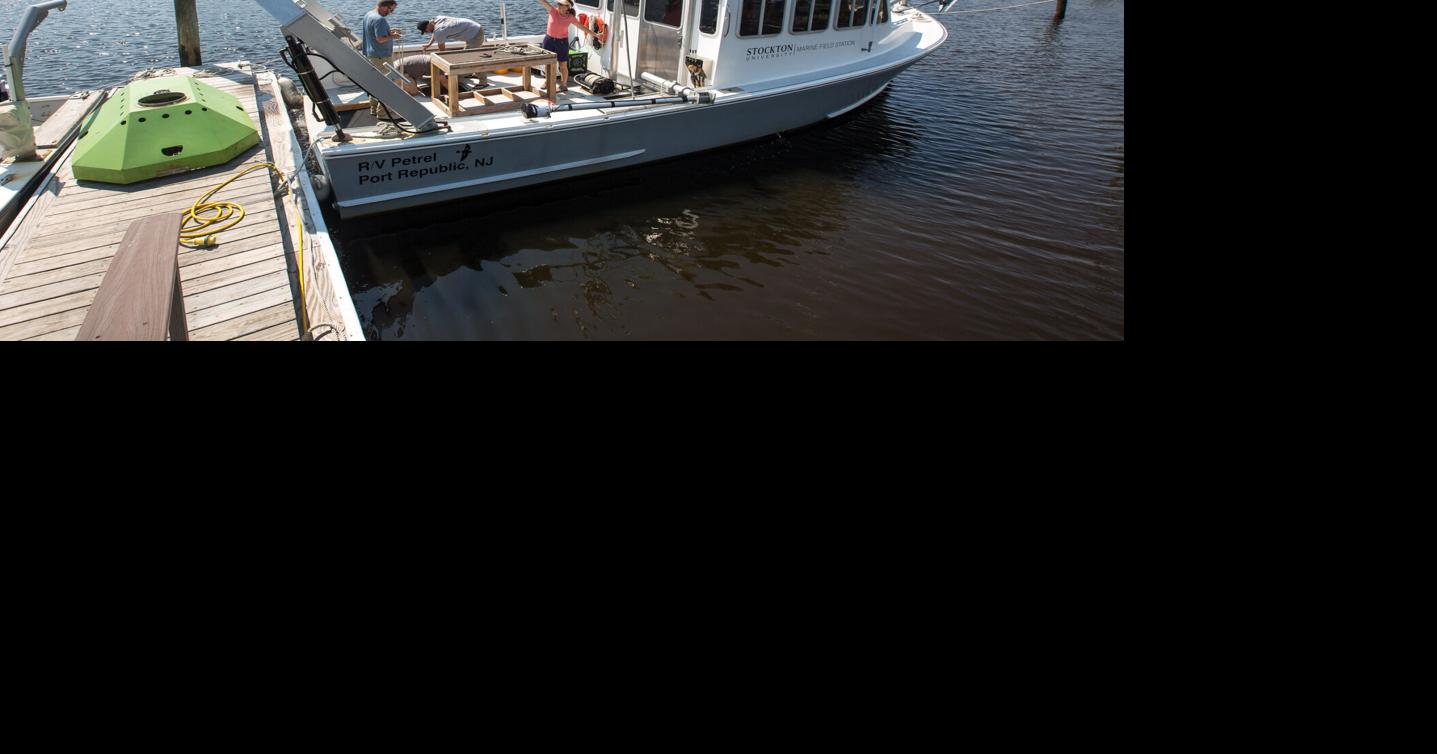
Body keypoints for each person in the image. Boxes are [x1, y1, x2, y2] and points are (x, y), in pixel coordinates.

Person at [537, 0, 595, 94]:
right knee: (548, 64)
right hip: (549, 40)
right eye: (560, 4)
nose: (559, 5)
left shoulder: (570, 17)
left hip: (562, 42)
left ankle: (563, 85)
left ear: (567, 7)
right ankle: (547, 81)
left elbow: (582, 27)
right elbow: (543, 2)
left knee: (563, 65)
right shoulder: (553, 11)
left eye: (563, 5)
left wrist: (595, 34)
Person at [362, 0, 403, 114]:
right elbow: (380, 39)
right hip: (382, 57)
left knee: (376, 83)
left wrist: (389, 32)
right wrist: (393, 36)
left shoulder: (368, 15)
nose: (391, 13)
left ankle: (374, 108)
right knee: (388, 84)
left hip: (371, 55)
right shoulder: (380, 19)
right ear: (384, 7)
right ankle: (383, 113)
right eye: (391, 10)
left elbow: (373, 33)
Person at [417, 16, 485, 51]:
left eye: (425, 31)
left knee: (468, 57)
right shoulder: (437, 18)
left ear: (427, 26)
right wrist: (429, 44)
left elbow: (442, 51)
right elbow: (435, 32)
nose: (427, 32)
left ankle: (480, 74)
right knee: (467, 54)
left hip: (475, 34)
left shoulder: (439, 31)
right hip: (473, 28)